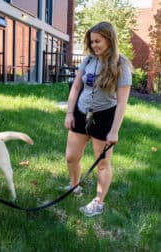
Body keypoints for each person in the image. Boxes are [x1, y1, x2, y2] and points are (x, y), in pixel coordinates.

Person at [64, 21, 132, 217]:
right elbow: (76, 87)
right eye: (91, 42)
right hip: (80, 112)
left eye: (97, 41)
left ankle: (98, 202)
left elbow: (122, 102)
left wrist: (114, 130)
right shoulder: (88, 61)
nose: (94, 45)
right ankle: (74, 185)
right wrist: (70, 112)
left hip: (104, 117)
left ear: (109, 40)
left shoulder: (121, 65)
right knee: (71, 157)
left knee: (102, 163)